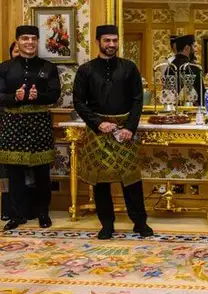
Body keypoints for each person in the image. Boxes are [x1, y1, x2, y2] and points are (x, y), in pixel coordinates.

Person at [73, 24, 153, 240]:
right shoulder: (85, 70)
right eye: (107, 40)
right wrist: (98, 123)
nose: (111, 44)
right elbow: (79, 102)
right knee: (101, 181)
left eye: (115, 40)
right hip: (98, 131)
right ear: (98, 42)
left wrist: (129, 128)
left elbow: (137, 100)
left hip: (125, 130)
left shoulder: (129, 68)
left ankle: (140, 223)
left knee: (131, 179)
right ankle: (107, 225)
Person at [0, 26, 60, 231]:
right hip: (13, 123)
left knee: (42, 172)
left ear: (38, 41)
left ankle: (43, 213)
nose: (29, 42)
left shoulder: (48, 67)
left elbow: (55, 94)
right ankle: (16, 215)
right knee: (14, 172)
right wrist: (14, 97)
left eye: (33, 38)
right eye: (25, 38)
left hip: (39, 123)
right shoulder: (5, 67)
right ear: (17, 41)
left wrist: (38, 96)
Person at [1, 42, 21, 221]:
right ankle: (7, 208)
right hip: (5, 124)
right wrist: (14, 97)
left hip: (31, 127)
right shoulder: (4, 70)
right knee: (6, 171)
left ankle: (26, 209)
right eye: (16, 51)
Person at [169, 34, 203, 105]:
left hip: (172, 109)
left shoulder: (170, 67)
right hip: (191, 109)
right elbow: (201, 95)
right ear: (187, 48)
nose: (196, 50)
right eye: (193, 46)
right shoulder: (194, 67)